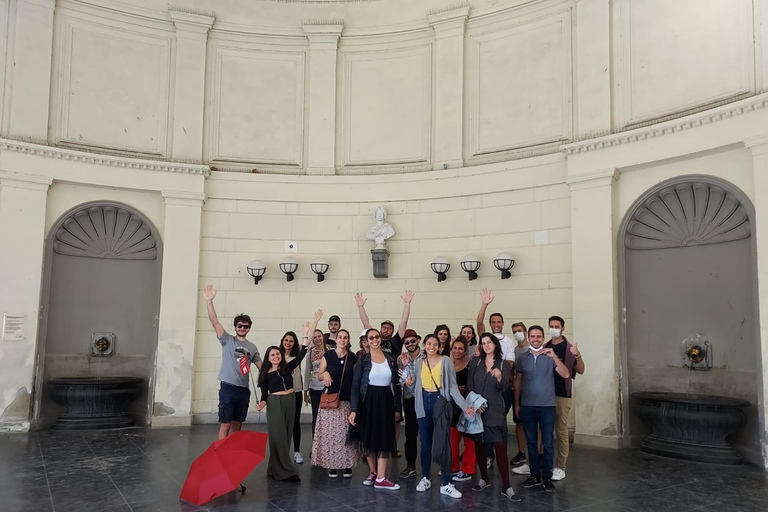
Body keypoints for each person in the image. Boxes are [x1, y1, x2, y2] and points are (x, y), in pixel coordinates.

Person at [404, 334, 472, 499]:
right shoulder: (419, 362)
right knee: (425, 442)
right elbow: (415, 389)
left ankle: (446, 483)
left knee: (444, 444)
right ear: (425, 345)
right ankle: (425, 477)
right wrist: (409, 383)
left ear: (439, 346)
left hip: (440, 402)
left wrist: (465, 406)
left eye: (435, 344)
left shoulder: (446, 361)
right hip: (423, 404)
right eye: (429, 344)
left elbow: (453, 387)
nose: (432, 347)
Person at [514, 325, 570, 492]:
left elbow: (566, 374)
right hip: (528, 406)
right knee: (531, 442)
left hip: (547, 406)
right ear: (528, 337)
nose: (536, 339)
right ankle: (534, 475)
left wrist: (554, 357)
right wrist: (517, 404)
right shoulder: (522, 358)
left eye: (539, 336)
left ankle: (547, 477)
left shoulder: (550, 356)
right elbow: (517, 382)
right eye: (532, 336)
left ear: (542, 338)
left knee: (547, 443)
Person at [255, 321, 312, 483]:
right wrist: (260, 405)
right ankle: (286, 471)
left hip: (291, 400)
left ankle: (273, 468)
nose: (276, 356)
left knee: (286, 436)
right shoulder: (265, 374)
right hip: (275, 404)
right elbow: (264, 395)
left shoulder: (288, 367)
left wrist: (305, 335)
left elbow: (302, 354)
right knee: (278, 436)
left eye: (277, 354)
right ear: (268, 358)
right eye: (272, 355)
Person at [204, 285, 262, 441]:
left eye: (245, 326)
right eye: (239, 326)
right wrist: (209, 302)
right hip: (228, 387)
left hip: (243, 390)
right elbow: (215, 322)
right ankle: (221, 454)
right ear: (235, 327)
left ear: (249, 328)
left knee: (238, 424)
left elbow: (262, 368)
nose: (242, 328)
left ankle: (233, 453)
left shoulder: (252, 347)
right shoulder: (227, 340)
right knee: (225, 424)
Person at [467, 333, 520, 502]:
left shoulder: (503, 364)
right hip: (478, 410)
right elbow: (470, 386)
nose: (486, 345)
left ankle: (507, 486)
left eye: (489, 342)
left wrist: (498, 376)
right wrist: (475, 405)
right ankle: (484, 478)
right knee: (480, 445)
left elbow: (504, 387)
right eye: (483, 343)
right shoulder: (475, 362)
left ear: (495, 345)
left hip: (495, 410)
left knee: (499, 445)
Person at [349, 328, 402, 490]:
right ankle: (373, 472)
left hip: (386, 400)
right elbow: (356, 385)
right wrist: (353, 409)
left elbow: (397, 385)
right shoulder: (363, 360)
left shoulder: (391, 359)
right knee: (370, 437)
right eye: (370, 338)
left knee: (385, 437)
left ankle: (381, 477)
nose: (374, 340)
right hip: (368, 401)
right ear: (366, 341)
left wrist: (398, 408)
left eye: (376, 337)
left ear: (380, 339)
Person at [475, 289, 515, 468]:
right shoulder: (486, 338)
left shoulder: (508, 342)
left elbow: (510, 363)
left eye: (499, 322)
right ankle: (488, 455)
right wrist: (485, 304)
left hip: (501, 386)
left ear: (503, 323)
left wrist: (499, 374)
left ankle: (500, 455)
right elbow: (478, 323)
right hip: (485, 389)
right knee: (484, 422)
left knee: (498, 423)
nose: (496, 324)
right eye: (493, 322)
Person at [311, 329, 360, 478]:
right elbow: (319, 375)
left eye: (345, 337)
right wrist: (324, 373)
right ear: (336, 339)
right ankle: (331, 465)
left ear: (348, 340)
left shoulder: (352, 358)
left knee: (345, 434)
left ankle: (346, 465)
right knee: (330, 435)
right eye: (340, 337)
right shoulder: (328, 355)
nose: (342, 340)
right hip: (330, 400)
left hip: (346, 400)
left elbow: (355, 380)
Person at [544, 315, 585, 481]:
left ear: (562, 328)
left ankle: (561, 466)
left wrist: (578, 355)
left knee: (561, 431)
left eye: (557, 326)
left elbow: (581, 370)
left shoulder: (569, 348)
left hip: (562, 395)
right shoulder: (545, 346)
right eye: (551, 326)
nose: (554, 328)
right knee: (543, 431)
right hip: (545, 395)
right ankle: (542, 462)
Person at [280, 310, 322, 464]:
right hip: (282, 394)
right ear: (283, 341)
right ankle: (283, 452)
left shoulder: (298, 352)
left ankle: (297, 451)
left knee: (295, 422)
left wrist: (315, 321)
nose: (288, 343)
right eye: (286, 340)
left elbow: (308, 339)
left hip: (296, 392)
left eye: (291, 341)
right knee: (284, 423)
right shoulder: (278, 355)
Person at [355, 290, 414, 355]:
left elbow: (404, 322)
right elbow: (366, 323)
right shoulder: (375, 340)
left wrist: (407, 304)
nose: (386, 330)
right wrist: (360, 307)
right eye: (384, 327)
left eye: (389, 328)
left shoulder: (396, 341)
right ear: (380, 329)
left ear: (393, 331)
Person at [449, 336, 475, 482]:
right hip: (452, 407)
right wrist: (453, 389)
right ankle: (453, 468)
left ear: (465, 351)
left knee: (469, 440)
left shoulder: (470, 366)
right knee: (452, 439)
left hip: (467, 406)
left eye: (460, 348)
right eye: (455, 348)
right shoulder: (447, 365)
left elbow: (473, 385)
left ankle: (467, 469)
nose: (457, 351)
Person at [397, 329, 421, 479]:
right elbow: (402, 381)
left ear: (418, 340)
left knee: (426, 433)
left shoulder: (426, 356)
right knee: (410, 433)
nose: (410, 344)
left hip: (425, 398)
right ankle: (410, 465)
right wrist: (406, 367)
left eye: (412, 341)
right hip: (409, 399)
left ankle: (426, 466)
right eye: (407, 342)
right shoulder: (402, 359)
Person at [510, 322, 529, 467]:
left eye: (519, 331)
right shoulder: (514, 350)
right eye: (515, 331)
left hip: (533, 392)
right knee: (519, 422)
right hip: (518, 391)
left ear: (525, 331)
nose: (517, 333)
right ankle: (521, 452)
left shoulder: (533, 349)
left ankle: (539, 455)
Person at [304, 327, 327, 438]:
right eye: (315, 337)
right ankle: (315, 445)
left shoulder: (330, 351)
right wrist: (305, 390)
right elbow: (307, 372)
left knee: (327, 417)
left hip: (327, 388)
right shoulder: (310, 354)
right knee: (316, 417)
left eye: (319, 336)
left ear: (323, 337)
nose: (317, 339)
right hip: (314, 389)